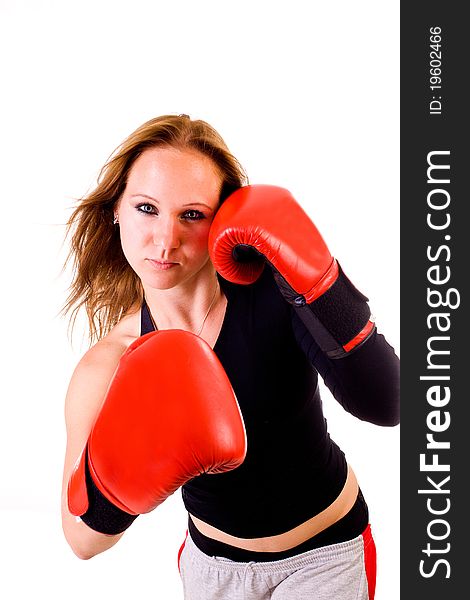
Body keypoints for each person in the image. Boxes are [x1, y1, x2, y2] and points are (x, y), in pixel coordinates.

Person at [61, 113, 400, 599]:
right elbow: (81, 539)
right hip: (212, 569)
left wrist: (323, 288)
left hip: (324, 557)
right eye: (146, 208)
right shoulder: (111, 365)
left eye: (192, 214)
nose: (165, 239)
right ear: (116, 209)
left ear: (222, 219)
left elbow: (388, 403)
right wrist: (139, 469)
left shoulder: (278, 293)